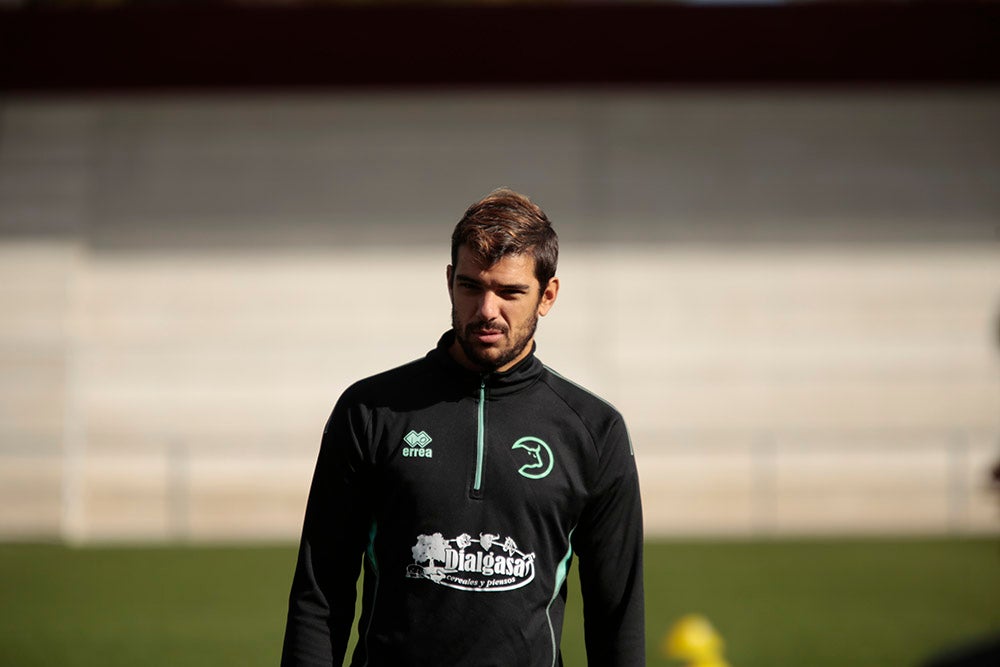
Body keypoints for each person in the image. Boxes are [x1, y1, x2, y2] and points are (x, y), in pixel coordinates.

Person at [281, 188, 645, 666]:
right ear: (450, 281)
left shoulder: (594, 429)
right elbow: (320, 592)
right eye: (472, 286)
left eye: (510, 292)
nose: (487, 310)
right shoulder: (371, 410)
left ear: (547, 295)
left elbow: (616, 616)